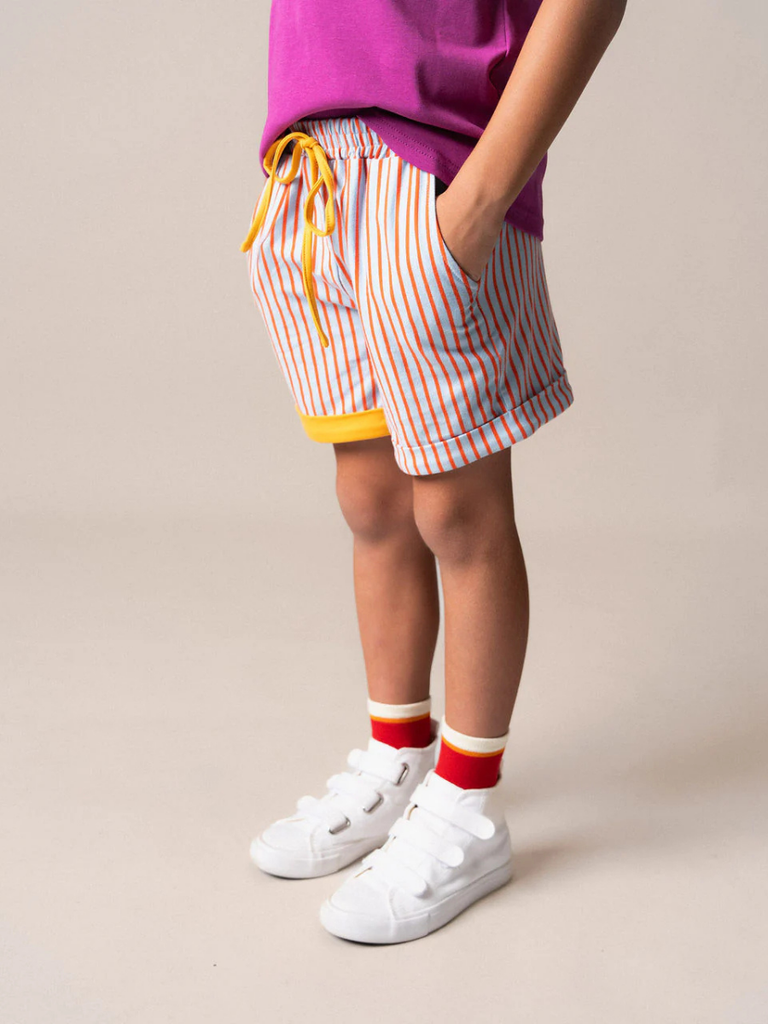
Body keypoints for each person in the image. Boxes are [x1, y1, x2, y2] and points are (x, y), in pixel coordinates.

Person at [241, 0, 626, 944]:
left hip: (434, 168)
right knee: (372, 502)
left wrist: (481, 195)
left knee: (459, 513)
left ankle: (466, 804)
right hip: (314, 172)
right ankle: (400, 754)